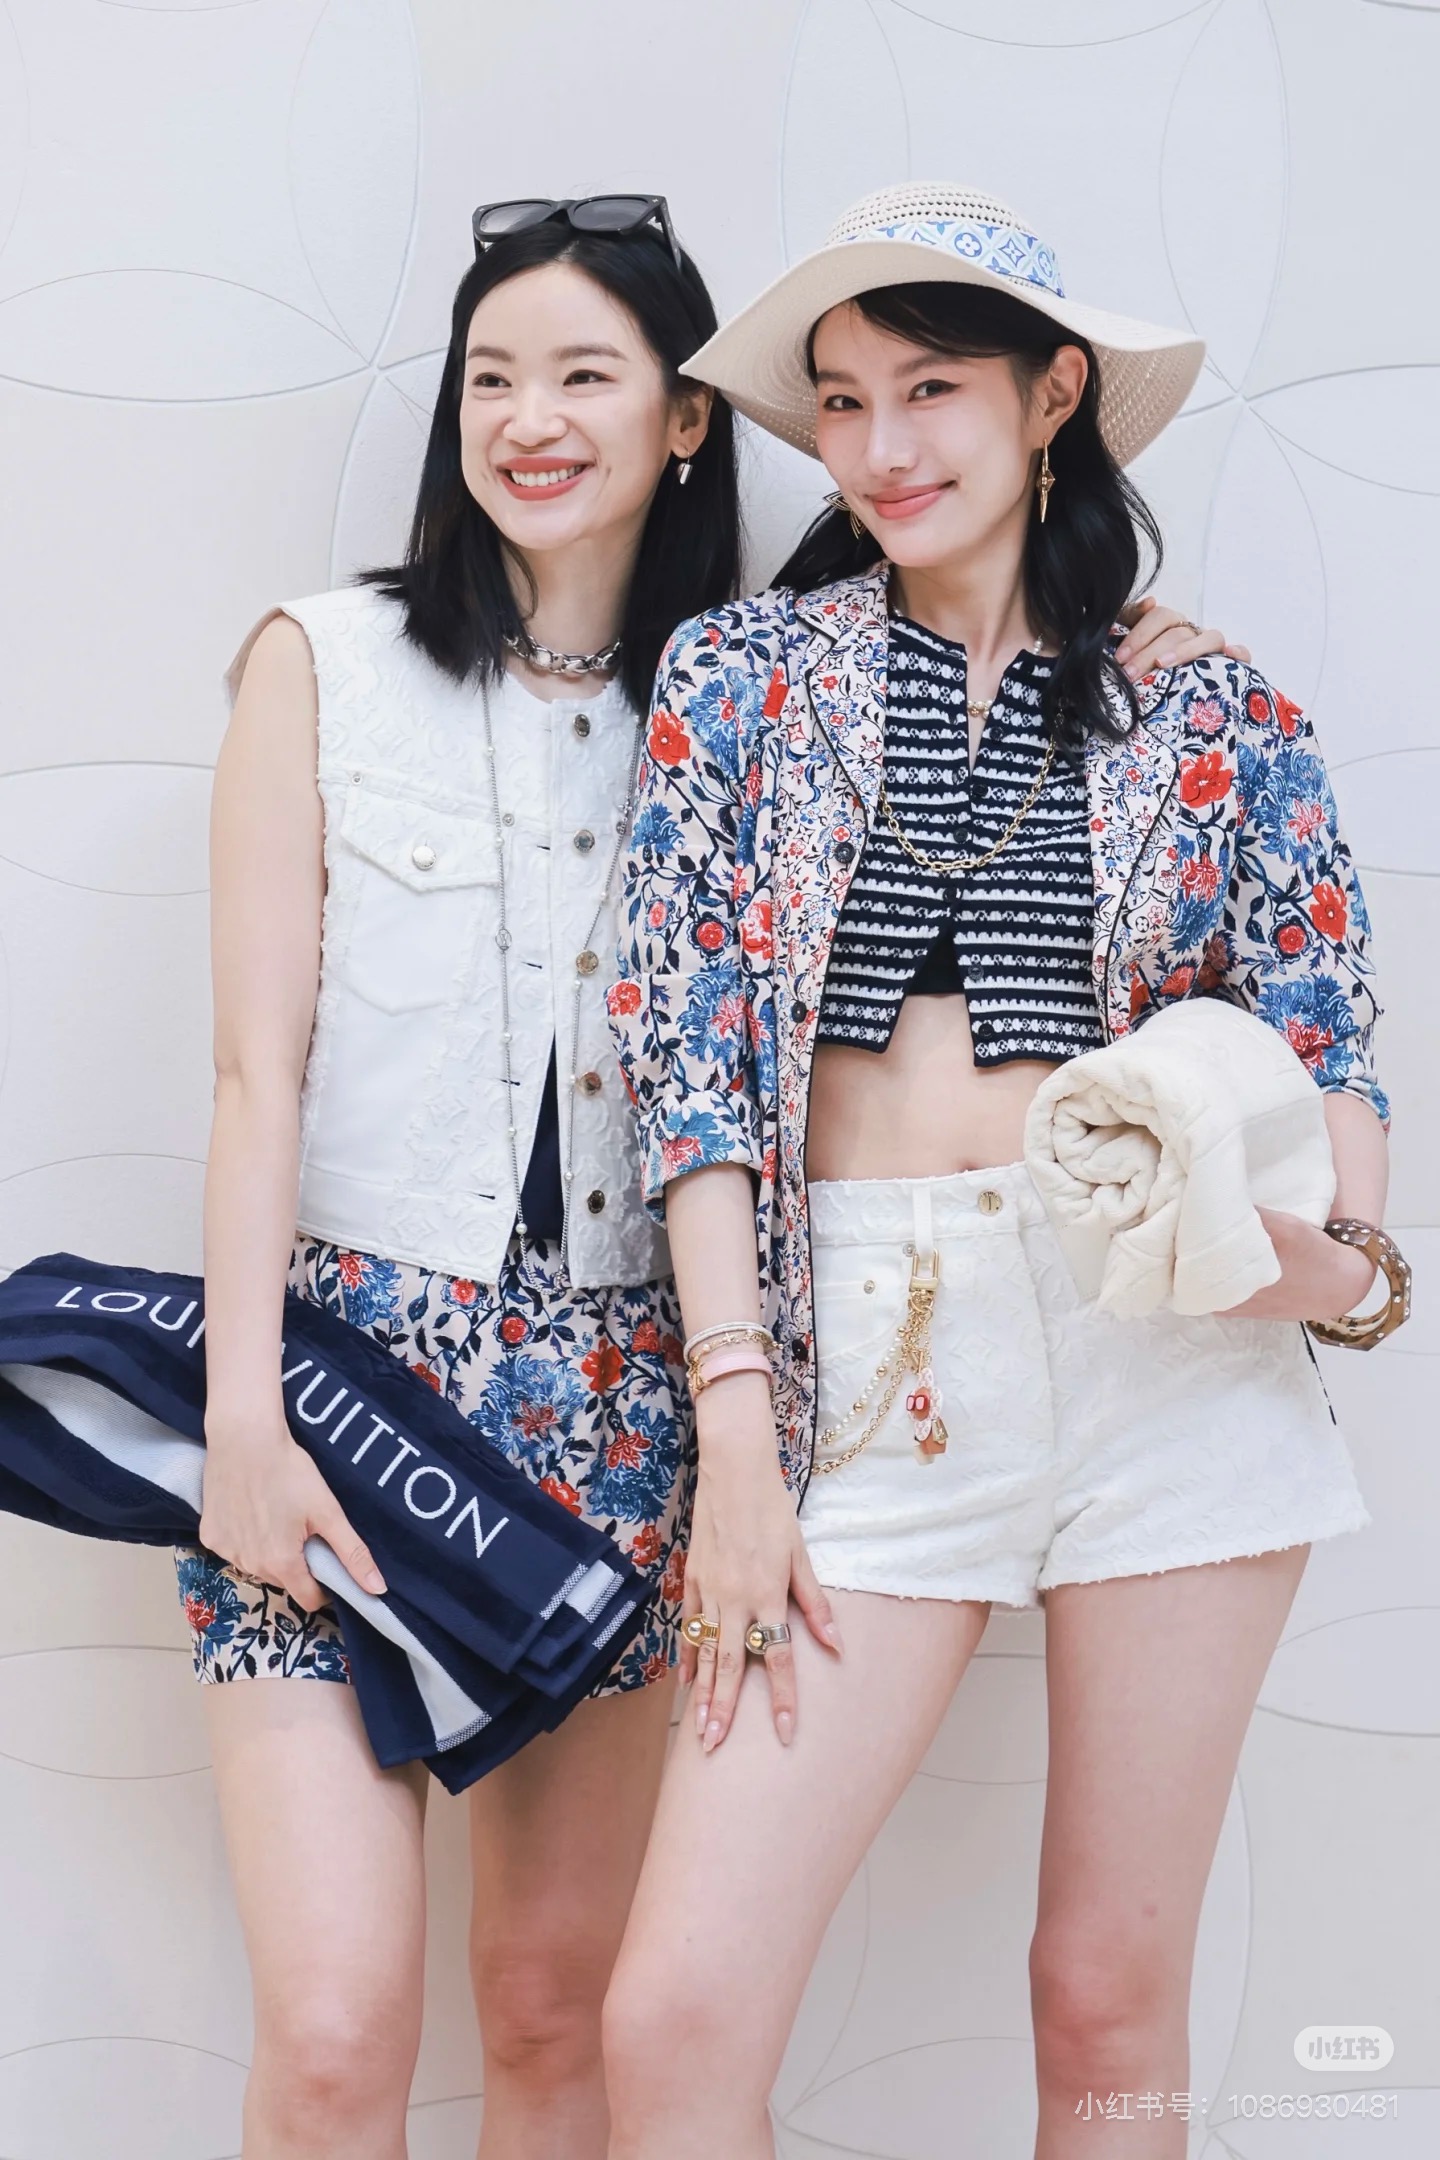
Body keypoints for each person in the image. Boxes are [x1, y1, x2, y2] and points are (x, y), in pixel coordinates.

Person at [186, 186, 1232, 2159]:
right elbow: (255, 1079)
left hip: (627, 1393)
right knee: (331, 2031)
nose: (528, 419)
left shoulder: (752, 697)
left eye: (583, 374)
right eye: (490, 378)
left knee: (554, 2001)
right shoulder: (322, 664)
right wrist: (242, 1419)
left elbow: (982, 712)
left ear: (683, 422)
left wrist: (1133, 649)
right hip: (342, 1388)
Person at [602, 185, 1400, 2159]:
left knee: (1105, 1995)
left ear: (1053, 398)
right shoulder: (741, 684)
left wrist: (1339, 1265)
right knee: (676, 2019)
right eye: (842, 401)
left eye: (932, 389)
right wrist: (737, 1434)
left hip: (1177, 1353)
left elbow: (1327, 1037)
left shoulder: (1210, 705)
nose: (880, 446)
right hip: (870, 1363)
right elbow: (692, 1073)